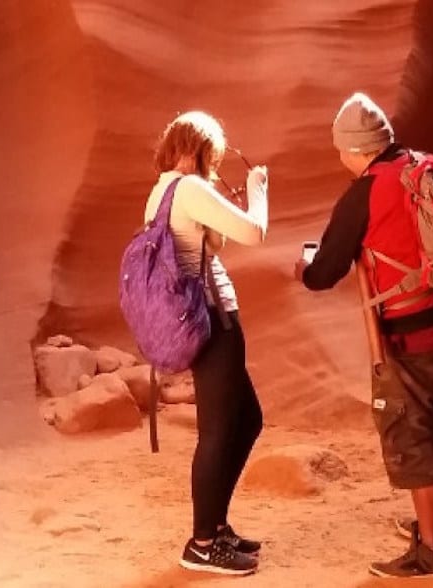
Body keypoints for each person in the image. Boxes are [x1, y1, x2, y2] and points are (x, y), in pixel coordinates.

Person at [294, 93, 433, 578]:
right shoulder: (427, 166)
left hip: (408, 336)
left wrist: (304, 267)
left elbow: (324, 273)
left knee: (416, 439)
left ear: (352, 149)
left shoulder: (366, 192)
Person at [144, 111, 269, 576]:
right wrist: (257, 189)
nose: (214, 165)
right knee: (218, 431)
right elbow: (254, 234)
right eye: (212, 156)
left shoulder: (163, 190)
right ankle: (201, 543)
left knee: (247, 420)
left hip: (204, 320)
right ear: (199, 150)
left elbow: (210, 242)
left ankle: (216, 526)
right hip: (212, 321)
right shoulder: (190, 189)